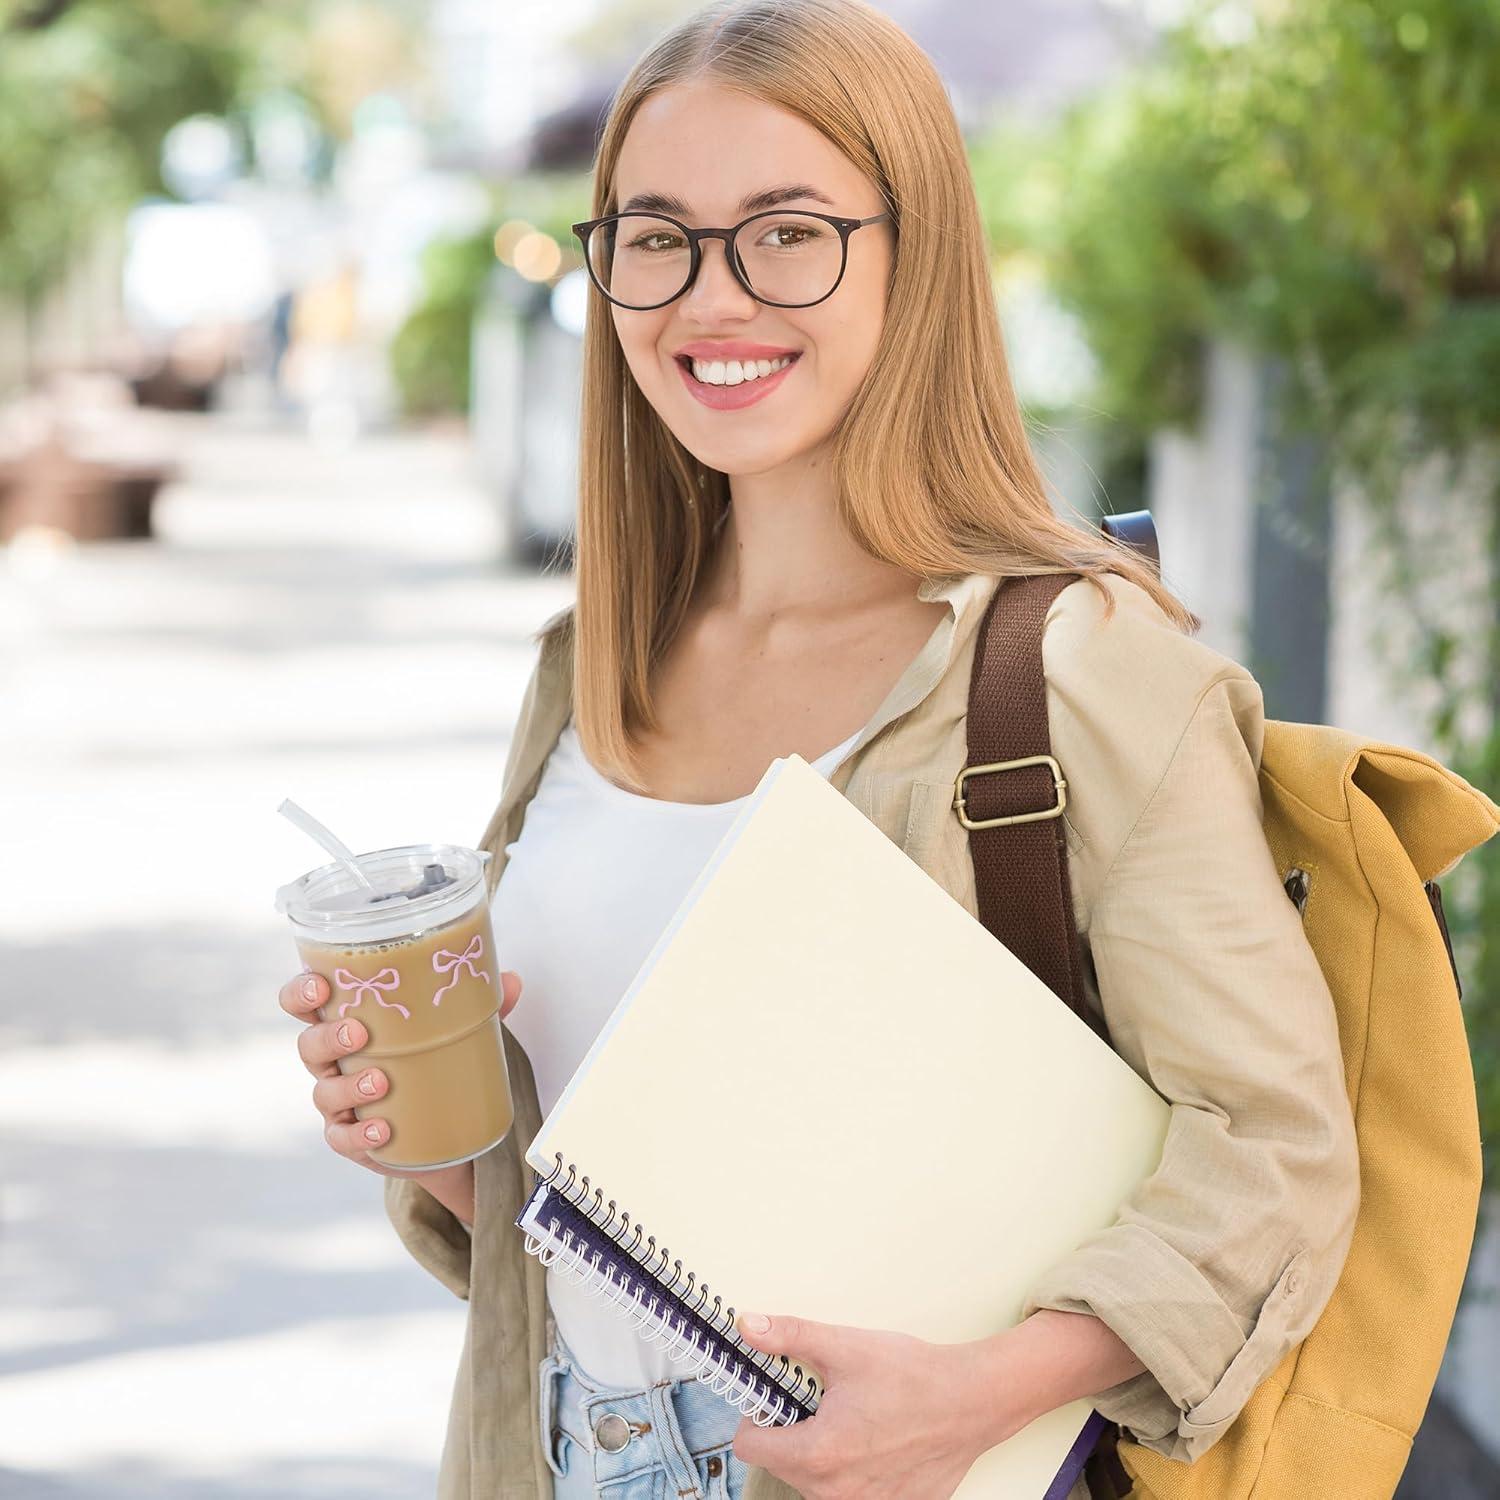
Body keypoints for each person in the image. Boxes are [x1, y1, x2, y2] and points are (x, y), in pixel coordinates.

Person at [278, 2, 1360, 1497]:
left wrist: (988, 1391)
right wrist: (427, 1142)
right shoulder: (589, 663)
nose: (709, 296)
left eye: (787, 231)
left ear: (914, 254)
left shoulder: (1077, 664)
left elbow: (1279, 1148)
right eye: (654, 236)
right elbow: (573, 1217)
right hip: (553, 1450)